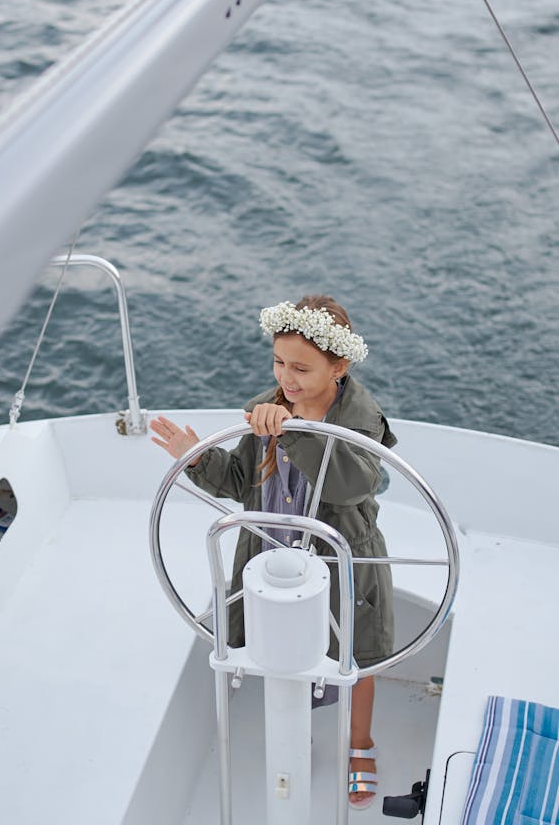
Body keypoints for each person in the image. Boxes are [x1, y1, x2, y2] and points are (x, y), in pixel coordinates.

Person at [150, 294, 395, 810]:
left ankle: (360, 746)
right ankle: (296, 727)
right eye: (280, 362)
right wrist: (194, 458)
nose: (288, 378)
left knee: (358, 656)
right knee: (281, 646)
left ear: (339, 367)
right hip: (273, 549)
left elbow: (350, 486)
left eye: (302, 368)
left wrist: (290, 434)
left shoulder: (361, 417)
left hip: (343, 558)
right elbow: (241, 480)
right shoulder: (269, 405)